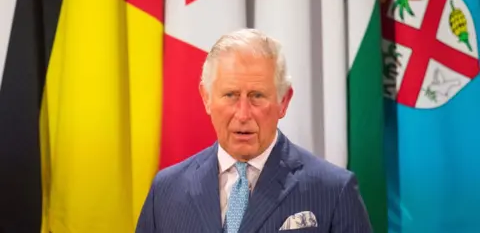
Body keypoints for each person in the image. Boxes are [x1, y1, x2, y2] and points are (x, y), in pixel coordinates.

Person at [135, 29, 372, 233]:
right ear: (206, 98)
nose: (243, 114)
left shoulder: (333, 190)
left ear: (284, 101)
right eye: (231, 95)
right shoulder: (166, 191)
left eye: (257, 96)